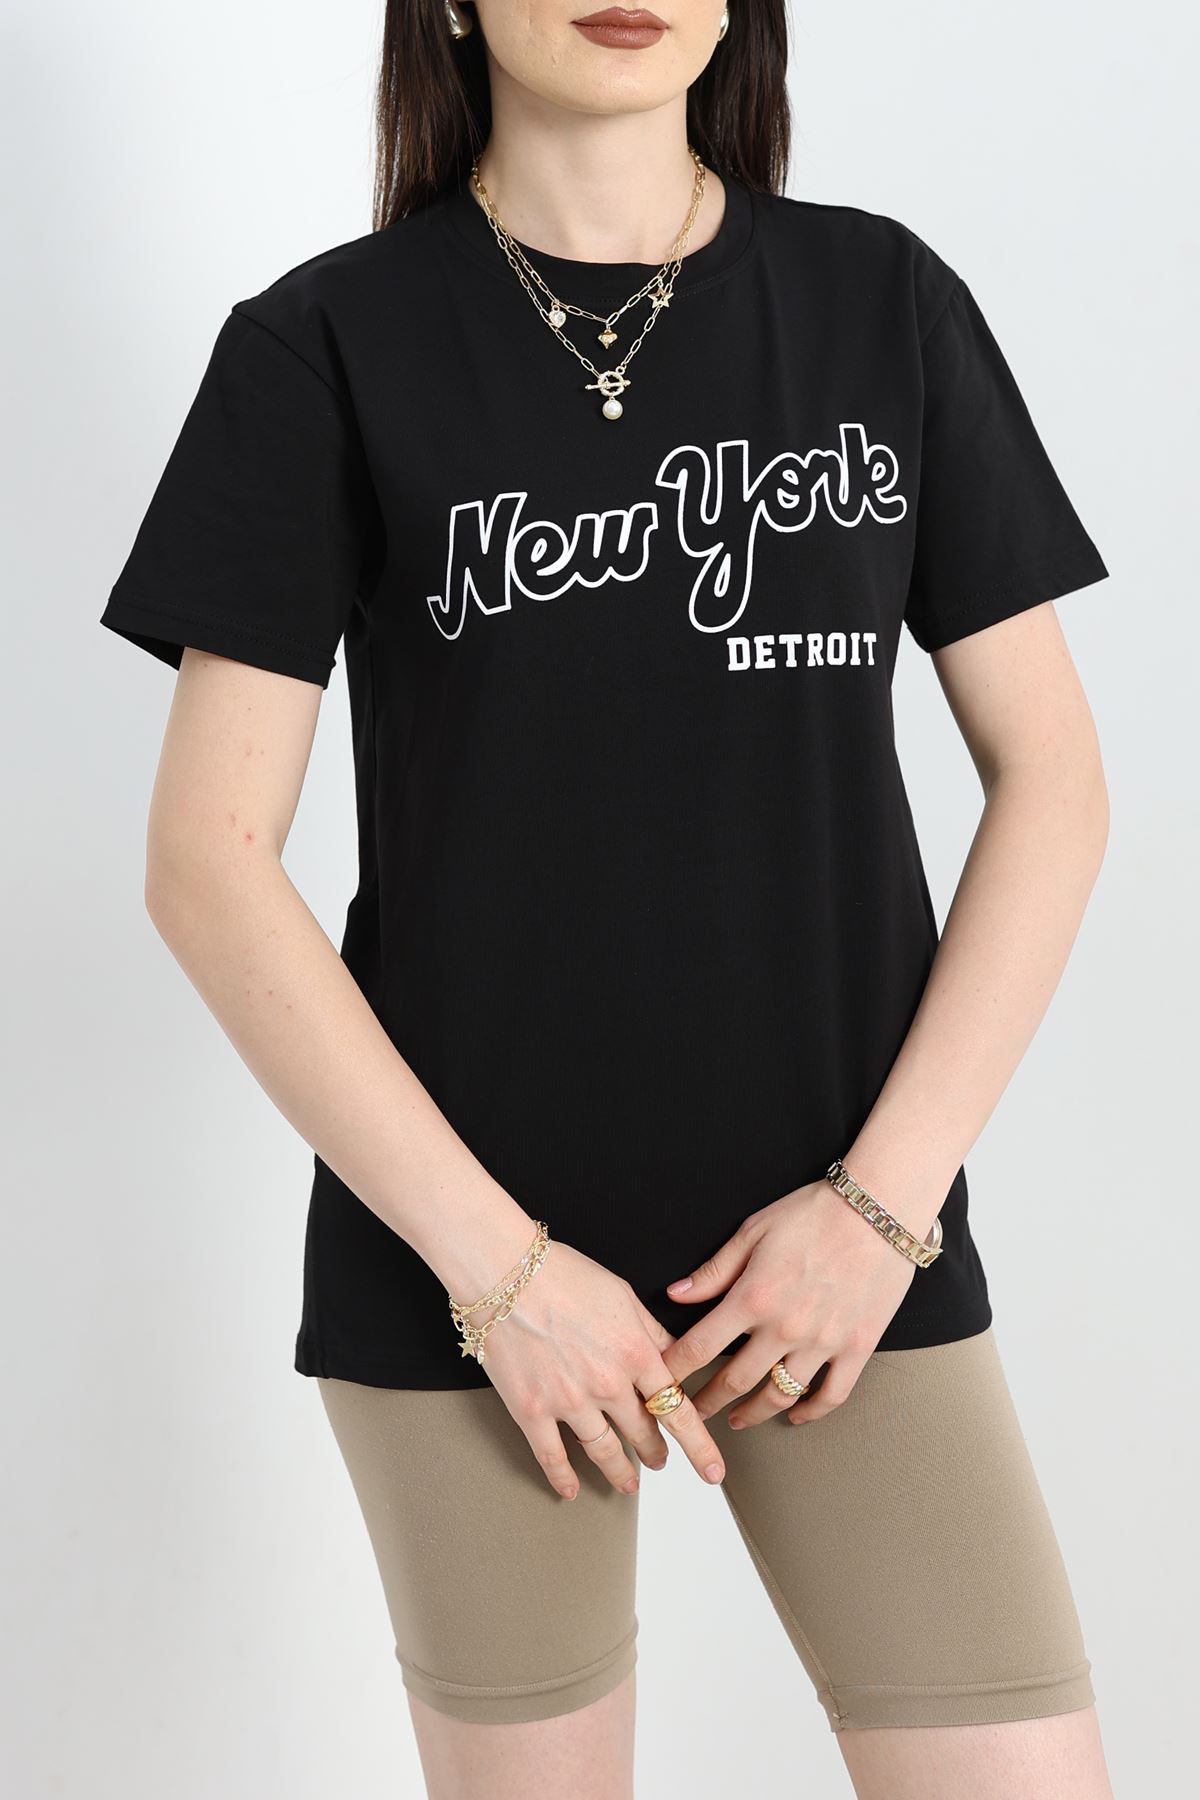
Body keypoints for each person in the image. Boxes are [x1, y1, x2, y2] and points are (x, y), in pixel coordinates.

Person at [99, 4, 1118, 1796]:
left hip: (844, 1257)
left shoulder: (881, 303)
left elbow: (1054, 785)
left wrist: (879, 1214)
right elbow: (207, 859)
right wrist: (500, 1277)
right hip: (465, 1281)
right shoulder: (325, 343)